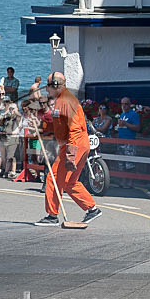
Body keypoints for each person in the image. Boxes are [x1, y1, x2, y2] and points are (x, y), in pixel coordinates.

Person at [31, 72, 101, 226]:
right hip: (78, 144)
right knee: (70, 182)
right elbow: (57, 123)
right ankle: (92, 208)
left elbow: (74, 128)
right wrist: (40, 125)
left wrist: (70, 153)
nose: (47, 90)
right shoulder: (61, 100)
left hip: (74, 143)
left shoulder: (66, 101)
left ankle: (52, 215)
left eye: (48, 86)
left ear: (55, 86)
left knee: (53, 178)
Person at [116, 97, 141, 188]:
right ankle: (124, 181)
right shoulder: (122, 114)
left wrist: (125, 124)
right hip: (121, 141)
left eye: (126, 104)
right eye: (122, 104)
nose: (124, 106)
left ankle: (130, 182)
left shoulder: (133, 114)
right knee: (121, 163)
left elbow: (137, 128)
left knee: (130, 163)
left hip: (129, 141)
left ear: (130, 104)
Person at [2, 102, 24, 178]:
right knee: (9, 155)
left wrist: (15, 111)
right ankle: (7, 171)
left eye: (13, 109)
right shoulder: (9, 117)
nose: (11, 110)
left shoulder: (17, 117)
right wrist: (6, 113)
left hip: (14, 137)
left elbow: (19, 117)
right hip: (7, 137)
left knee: (11, 155)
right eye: (10, 109)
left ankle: (11, 171)